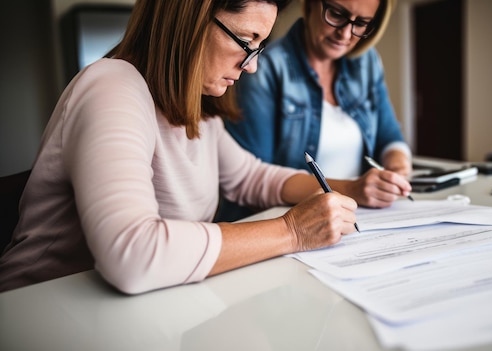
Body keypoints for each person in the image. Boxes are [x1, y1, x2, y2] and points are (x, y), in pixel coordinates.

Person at [0, 0, 412, 294]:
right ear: (193, 18)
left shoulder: (195, 106)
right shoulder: (112, 86)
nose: (252, 64)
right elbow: (134, 254)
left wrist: (354, 189)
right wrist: (292, 232)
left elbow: (253, 178)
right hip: (41, 312)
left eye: (261, 46)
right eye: (247, 40)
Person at [221, 0, 411, 221]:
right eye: (337, 14)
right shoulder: (265, 69)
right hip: (291, 219)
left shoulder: (366, 63)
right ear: (310, 5)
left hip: (358, 215)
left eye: (361, 23)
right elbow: (253, 181)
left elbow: (389, 135)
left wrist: (398, 166)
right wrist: (353, 190)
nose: (346, 34)